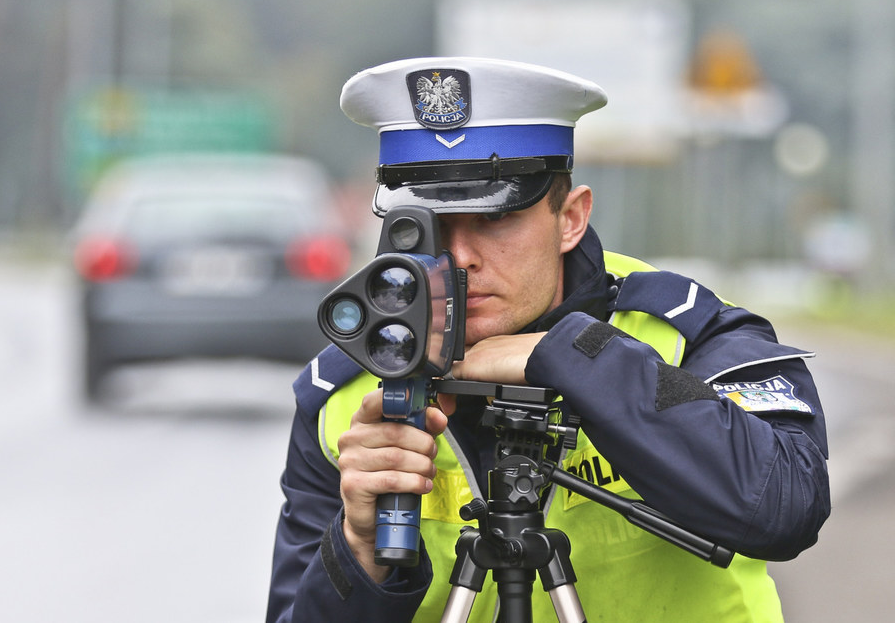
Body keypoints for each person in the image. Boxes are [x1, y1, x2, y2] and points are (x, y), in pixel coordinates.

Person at [265, 57, 830, 622]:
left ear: (571, 218)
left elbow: (786, 504)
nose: (460, 257)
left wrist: (574, 357)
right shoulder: (341, 399)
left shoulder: (683, 335)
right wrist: (359, 549)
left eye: (494, 220)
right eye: (431, 225)